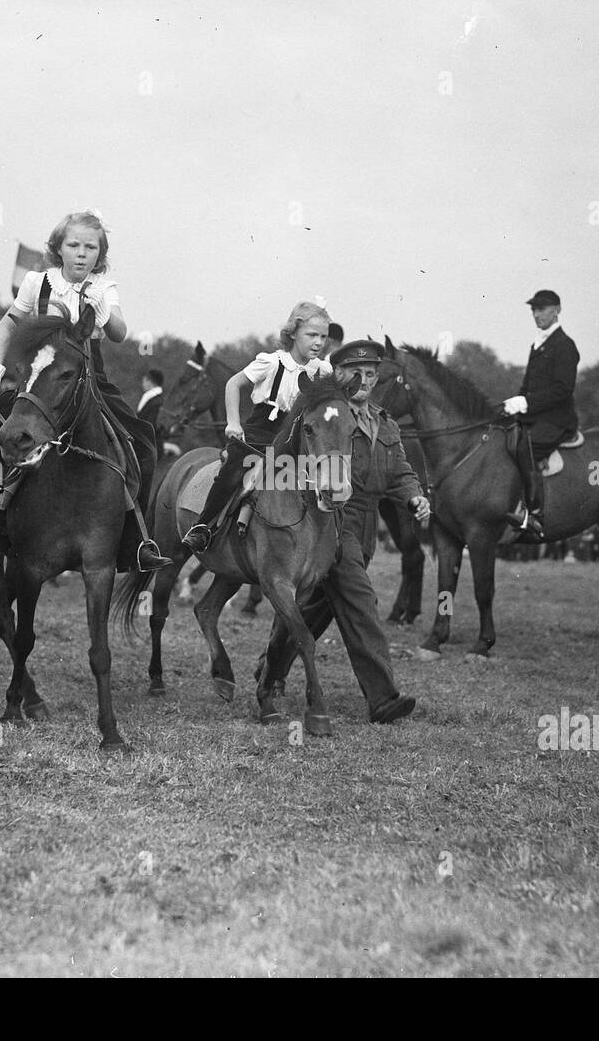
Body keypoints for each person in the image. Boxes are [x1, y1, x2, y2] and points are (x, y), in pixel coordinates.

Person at [0, 210, 172, 571]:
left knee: (144, 440)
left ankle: (136, 538)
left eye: (91, 246)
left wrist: (107, 313)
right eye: (74, 245)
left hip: (89, 380)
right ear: (59, 248)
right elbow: (6, 327)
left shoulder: (104, 287)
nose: (82, 252)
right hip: (38, 378)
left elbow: (119, 332)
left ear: (100, 253)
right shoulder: (37, 282)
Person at [255, 339, 432, 727]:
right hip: (330, 522)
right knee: (359, 599)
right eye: (356, 373)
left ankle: (268, 674)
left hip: (366, 525)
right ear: (339, 375)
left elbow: (400, 470)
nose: (364, 380)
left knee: (314, 609)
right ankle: (383, 698)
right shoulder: (329, 416)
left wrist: (414, 497)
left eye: (371, 374)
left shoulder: (384, 422)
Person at [180, 302, 334, 554]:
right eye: (312, 335)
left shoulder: (323, 370)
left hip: (299, 437)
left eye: (323, 337)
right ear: (293, 333)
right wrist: (233, 422)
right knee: (234, 469)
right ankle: (203, 527)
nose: (318, 342)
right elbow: (233, 384)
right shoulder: (272, 362)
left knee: (333, 472)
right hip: (262, 431)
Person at [500, 290, 580, 540]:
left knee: (527, 447)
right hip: (534, 416)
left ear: (557, 310)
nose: (537, 314)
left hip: (557, 420)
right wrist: (514, 403)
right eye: (533, 310)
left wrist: (526, 402)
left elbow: (562, 390)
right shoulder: (538, 344)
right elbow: (528, 384)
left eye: (542, 309)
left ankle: (535, 515)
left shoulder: (564, 345)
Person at [137, 368, 164, 452]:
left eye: (144, 381)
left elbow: (150, 425)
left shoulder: (157, 401)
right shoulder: (155, 399)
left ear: (149, 382)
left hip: (149, 446)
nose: (143, 384)